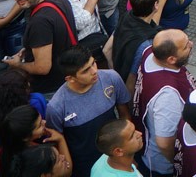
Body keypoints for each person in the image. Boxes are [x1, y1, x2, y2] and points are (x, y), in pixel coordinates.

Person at [46, 45, 132, 177]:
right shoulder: (56, 107)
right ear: (70, 78)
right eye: (86, 70)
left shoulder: (111, 78)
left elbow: (124, 115)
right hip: (84, 169)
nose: (94, 71)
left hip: (115, 160)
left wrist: (128, 155)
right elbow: (58, 142)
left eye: (93, 63)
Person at [132, 30, 196, 177]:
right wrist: (176, 163)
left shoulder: (150, 52)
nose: (191, 45)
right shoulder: (167, 96)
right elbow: (164, 142)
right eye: (186, 46)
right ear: (171, 60)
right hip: (162, 167)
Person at [4, 0, 80, 97]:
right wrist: (29, 48)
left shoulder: (40, 21)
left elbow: (42, 68)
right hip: (67, 77)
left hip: (51, 88)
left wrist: (18, 64)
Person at [108, 0, 166, 93]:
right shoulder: (147, 44)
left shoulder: (127, 16)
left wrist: (117, 76)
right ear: (155, 5)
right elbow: (132, 79)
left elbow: (107, 49)